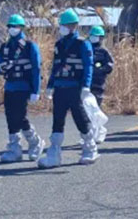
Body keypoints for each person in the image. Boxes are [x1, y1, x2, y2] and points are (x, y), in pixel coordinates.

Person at [38, 10, 99, 168]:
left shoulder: (82, 43)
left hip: (75, 87)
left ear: (73, 26)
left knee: (80, 118)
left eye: (65, 25)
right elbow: (55, 66)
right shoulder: (59, 44)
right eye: (62, 25)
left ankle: (90, 148)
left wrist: (86, 86)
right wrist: (50, 86)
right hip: (60, 87)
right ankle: (54, 155)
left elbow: (88, 66)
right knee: (57, 120)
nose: (62, 28)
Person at [0, 14, 45, 163]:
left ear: (21, 28)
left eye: (15, 26)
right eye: (10, 26)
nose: (12, 29)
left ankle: (35, 142)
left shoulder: (30, 46)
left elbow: (36, 69)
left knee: (20, 116)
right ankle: (14, 148)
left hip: (24, 87)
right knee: (10, 117)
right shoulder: (5, 47)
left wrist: (36, 90)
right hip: (10, 86)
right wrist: (2, 68)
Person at [89, 25, 113, 143]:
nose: (94, 38)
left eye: (96, 36)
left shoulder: (104, 51)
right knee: (87, 110)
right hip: (86, 84)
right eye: (92, 35)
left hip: (98, 84)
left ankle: (99, 131)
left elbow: (110, 66)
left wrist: (100, 70)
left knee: (95, 108)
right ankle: (91, 133)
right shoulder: (86, 48)